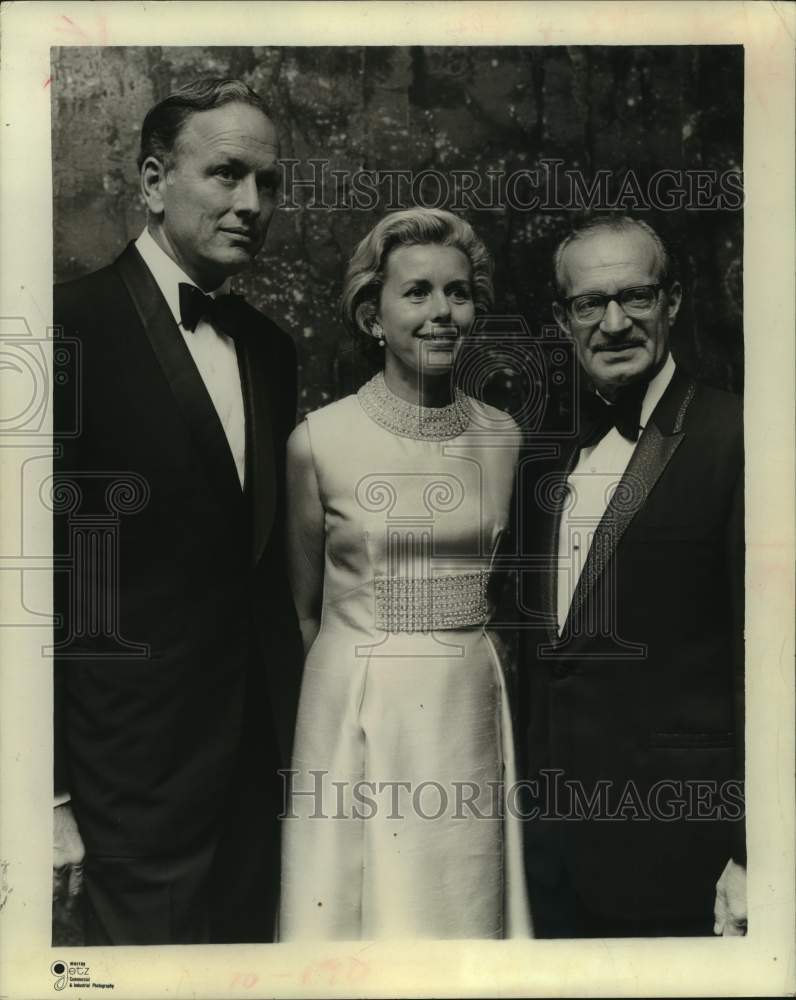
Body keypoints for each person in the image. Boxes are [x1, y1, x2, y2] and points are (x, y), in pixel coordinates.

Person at [52, 78, 302, 945]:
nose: (252, 204)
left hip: (257, 787)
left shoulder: (272, 353)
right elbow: (28, 584)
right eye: (226, 175)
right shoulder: (63, 330)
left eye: (268, 184)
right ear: (155, 183)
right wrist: (45, 798)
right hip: (123, 790)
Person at [278, 208, 532, 940]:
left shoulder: (504, 436)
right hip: (355, 706)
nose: (441, 312)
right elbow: (303, 610)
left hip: (466, 707)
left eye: (458, 292)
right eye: (416, 292)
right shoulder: (318, 440)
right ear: (373, 313)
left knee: (461, 913)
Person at [518, 215, 745, 937]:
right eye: (590, 304)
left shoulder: (739, 437)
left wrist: (754, 852)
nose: (614, 323)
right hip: (551, 862)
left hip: (691, 859)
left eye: (636, 298)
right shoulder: (544, 456)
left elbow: (769, 669)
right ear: (562, 318)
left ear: (672, 302)